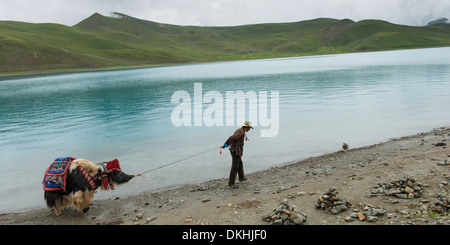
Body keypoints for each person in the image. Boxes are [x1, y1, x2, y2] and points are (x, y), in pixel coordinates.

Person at [221, 121, 253, 189]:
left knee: (240, 163)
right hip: (235, 150)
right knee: (235, 167)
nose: (250, 129)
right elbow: (232, 138)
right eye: (249, 128)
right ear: (246, 127)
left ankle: (241, 177)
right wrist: (225, 145)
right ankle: (231, 183)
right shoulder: (241, 132)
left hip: (236, 150)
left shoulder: (240, 130)